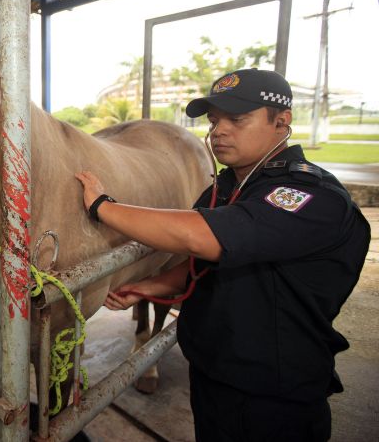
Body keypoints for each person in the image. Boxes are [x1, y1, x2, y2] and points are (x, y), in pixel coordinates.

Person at [75, 68, 370, 442]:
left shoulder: (307, 195)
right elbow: (204, 267)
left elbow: (202, 238)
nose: (219, 131)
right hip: (213, 375)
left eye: (238, 118)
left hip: (272, 395)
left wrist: (104, 206)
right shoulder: (227, 187)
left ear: (282, 121)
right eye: (215, 120)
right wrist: (150, 285)